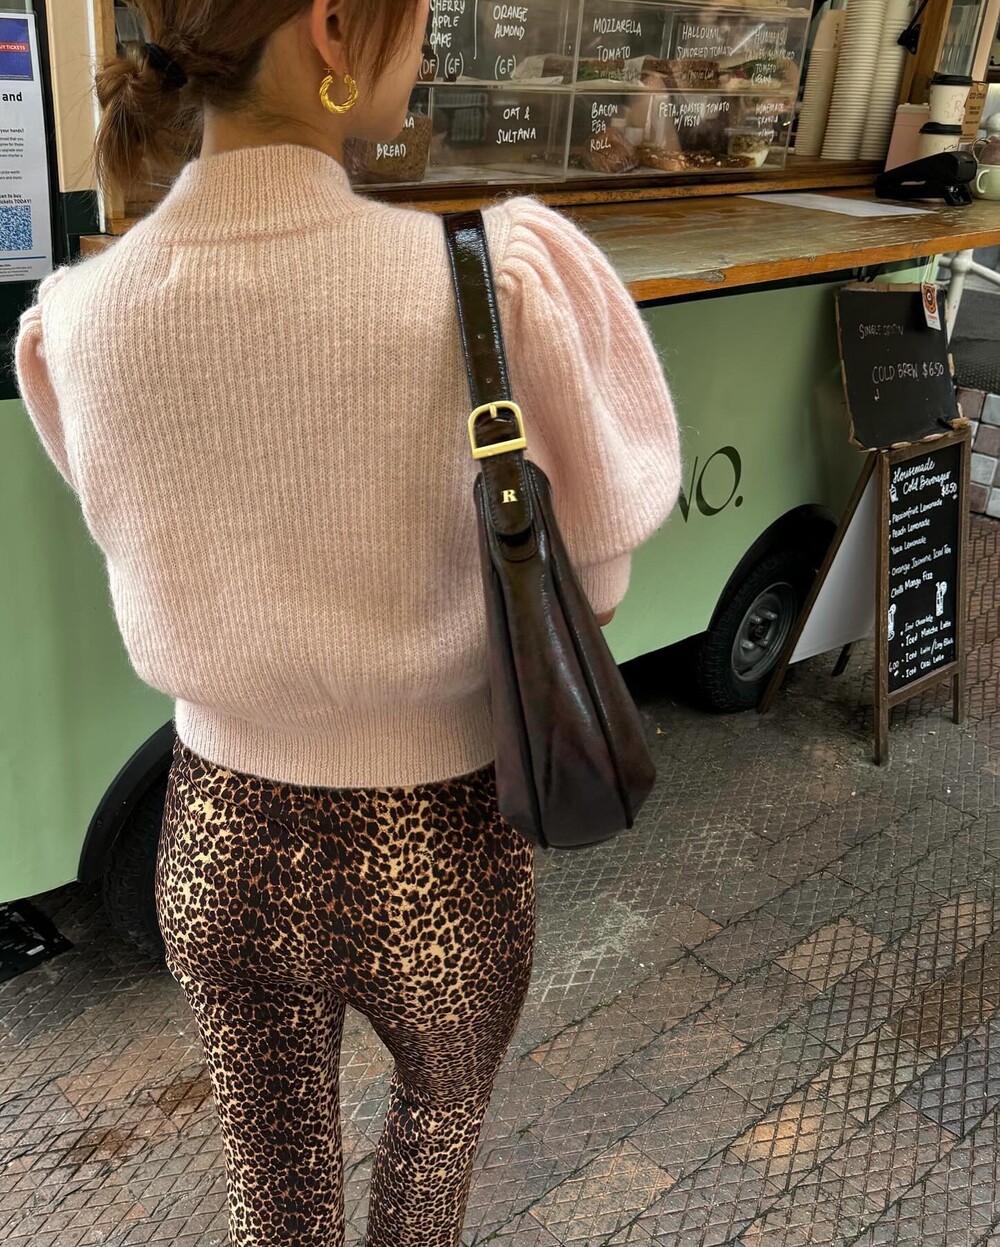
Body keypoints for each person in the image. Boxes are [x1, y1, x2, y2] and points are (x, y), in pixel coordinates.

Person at [14, 2, 681, 1244]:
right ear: (332, 26)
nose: (424, 46)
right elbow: (587, 588)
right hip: (435, 839)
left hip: (217, 832)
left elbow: (140, 530)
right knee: (431, 1150)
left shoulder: (77, 318)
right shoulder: (493, 275)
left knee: (275, 1187)